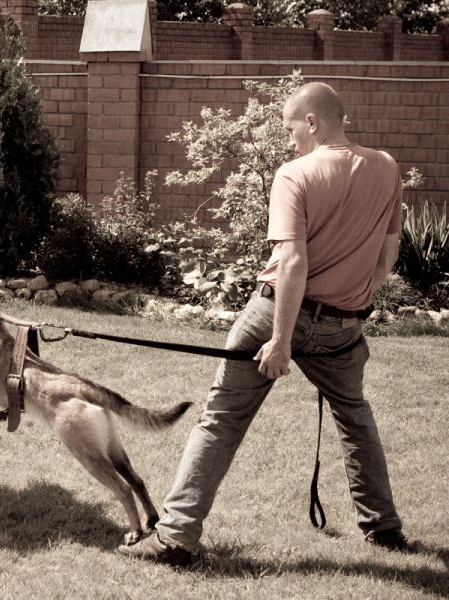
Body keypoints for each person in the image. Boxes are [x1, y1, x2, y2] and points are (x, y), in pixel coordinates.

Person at [119, 82, 407, 565]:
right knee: (355, 418)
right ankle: (384, 529)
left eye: (292, 129)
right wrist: (353, 301)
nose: (291, 139)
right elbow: (387, 255)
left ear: (312, 122)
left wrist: (280, 340)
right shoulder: (386, 166)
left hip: (274, 316)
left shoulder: (295, 174)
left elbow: (292, 261)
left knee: (221, 420)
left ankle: (174, 538)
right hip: (342, 327)